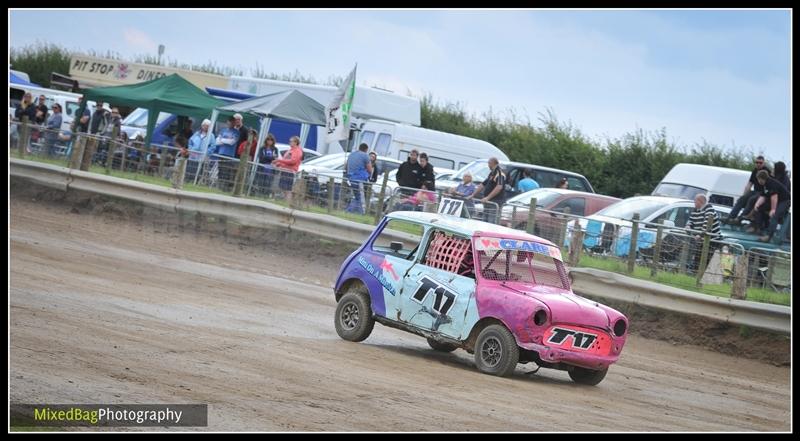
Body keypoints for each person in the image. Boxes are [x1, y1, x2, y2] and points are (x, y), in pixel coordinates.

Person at [725, 155, 772, 224]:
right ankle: (730, 217)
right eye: (757, 162)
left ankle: (739, 219)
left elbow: (768, 186)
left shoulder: (767, 171)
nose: (758, 164)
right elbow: (749, 184)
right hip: (755, 191)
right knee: (742, 199)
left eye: (760, 163)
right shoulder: (755, 170)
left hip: (762, 193)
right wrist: (744, 195)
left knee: (751, 200)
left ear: (763, 163)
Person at [751, 169, 791, 242]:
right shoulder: (765, 185)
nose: (758, 181)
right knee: (759, 209)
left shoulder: (771, 183)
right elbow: (763, 196)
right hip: (778, 200)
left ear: (761, 178)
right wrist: (757, 204)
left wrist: (773, 209)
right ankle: (759, 228)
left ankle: (769, 236)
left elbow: (774, 197)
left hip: (785, 200)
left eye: (758, 179)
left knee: (774, 215)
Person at [686, 193, 722, 274]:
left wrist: (700, 235)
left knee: (706, 260)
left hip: (712, 241)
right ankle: (696, 274)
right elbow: (690, 219)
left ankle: (699, 275)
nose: (694, 203)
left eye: (695, 201)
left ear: (700, 201)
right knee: (698, 258)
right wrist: (688, 225)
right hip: (702, 240)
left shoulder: (709, 209)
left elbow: (707, 225)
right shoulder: (696, 210)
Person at [468, 157, 507, 223]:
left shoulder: (500, 174)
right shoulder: (491, 174)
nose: (488, 165)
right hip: (488, 202)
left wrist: (487, 198)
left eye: (489, 163)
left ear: (492, 163)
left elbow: (499, 187)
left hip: (495, 203)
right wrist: (473, 195)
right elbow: (483, 184)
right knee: (485, 221)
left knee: (491, 222)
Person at [209, 117, 240, 191]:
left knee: (227, 171)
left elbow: (232, 142)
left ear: (234, 123)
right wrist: (225, 141)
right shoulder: (223, 130)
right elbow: (216, 142)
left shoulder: (236, 132)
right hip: (221, 153)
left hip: (229, 154)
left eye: (232, 122)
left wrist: (222, 140)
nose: (230, 124)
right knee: (220, 170)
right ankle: (219, 186)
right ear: (227, 122)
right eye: (229, 122)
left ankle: (225, 187)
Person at [272, 136, 304, 203]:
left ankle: (288, 203)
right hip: (285, 171)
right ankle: (285, 202)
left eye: (291, 141)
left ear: (296, 142)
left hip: (290, 172)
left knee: (287, 190)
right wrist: (279, 163)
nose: (289, 142)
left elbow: (293, 161)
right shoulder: (290, 150)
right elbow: (285, 160)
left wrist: (279, 160)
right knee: (283, 188)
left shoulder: (297, 151)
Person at [345, 143, 374, 214]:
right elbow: (370, 169)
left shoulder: (351, 154)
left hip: (350, 178)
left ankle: (350, 211)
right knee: (361, 198)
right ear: (366, 149)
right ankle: (362, 213)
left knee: (356, 196)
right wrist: (369, 176)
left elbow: (346, 166)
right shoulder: (365, 156)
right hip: (359, 179)